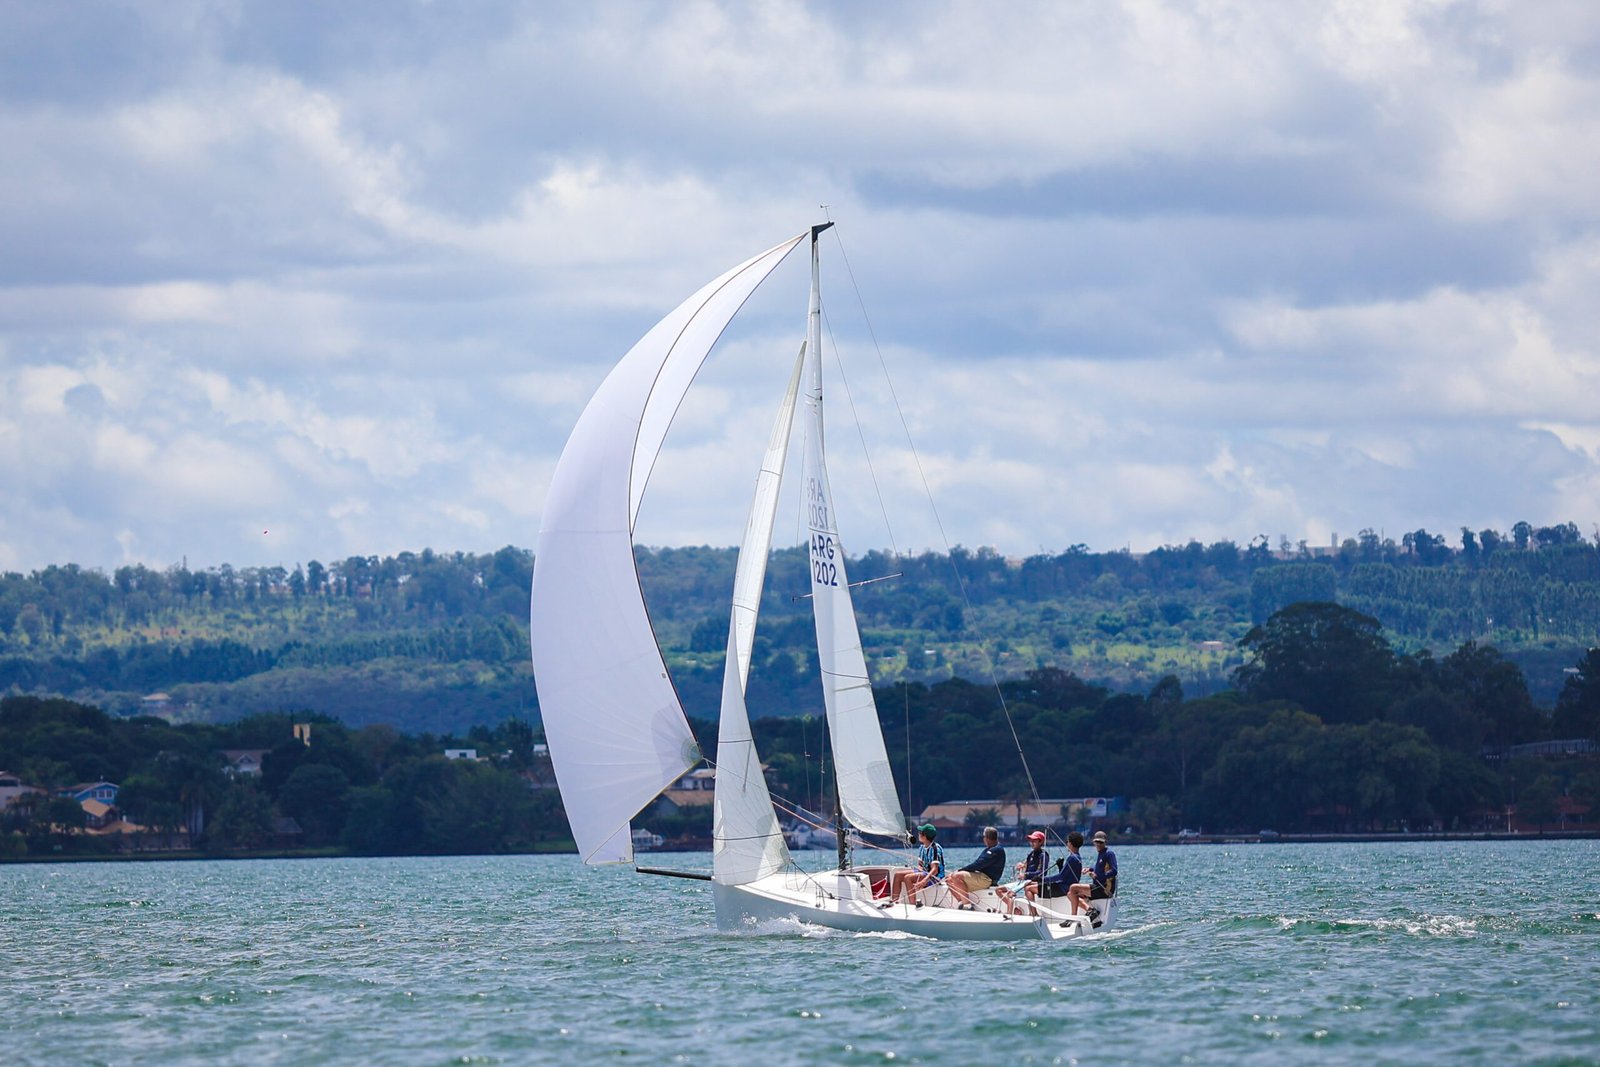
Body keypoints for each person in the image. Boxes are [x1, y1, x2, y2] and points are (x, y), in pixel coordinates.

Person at [945, 826, 1006, 910]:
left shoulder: (996, 850)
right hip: (980, 876)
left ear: (986, 838)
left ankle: (968, 906)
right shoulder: (989, 849)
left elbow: (978, 865)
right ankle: (961, 903)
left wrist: (960, 870)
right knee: (949, 880)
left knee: (956, 876)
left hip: (987, 879)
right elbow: (977, 864)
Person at [885, 825, 945, 907]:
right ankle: (894, 902)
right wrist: (919, 870)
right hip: (924, 873)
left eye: (920, 833)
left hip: (935, 877)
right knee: (898, 875)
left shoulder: (935, 848)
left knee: (908, 878)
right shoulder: (922, 847)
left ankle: (913, 905)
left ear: (925, 836)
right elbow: (920, 865)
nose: (918, 834)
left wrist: (924, 881)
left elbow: (935, 870)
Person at [997, 830, 1049, 916]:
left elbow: (1041, 872)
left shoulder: (1043, 855)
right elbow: (1026, 865)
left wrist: (1026, 874)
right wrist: (1022, 866)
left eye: (1034, 841)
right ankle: (1016, 910)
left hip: (1034, 881)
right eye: (1031, 841)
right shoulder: (1031, 854)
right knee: (999, 890)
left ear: (1040, 842)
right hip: (1024, 882)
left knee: (1013, 892)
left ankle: (1033, 913)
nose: (1031, 843)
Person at [1030, 830, 1084, 913]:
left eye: (1067, 842)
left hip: (1062, 888)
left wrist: (1042, 879)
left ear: (1070, 843)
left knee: (1029, 888)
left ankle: (1034, 914)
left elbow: (1061, 877)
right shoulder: (1077, 857)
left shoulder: (1072, 858)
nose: (1067, 844)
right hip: (1065, 886)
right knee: (1033, 884)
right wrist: (1060, 866)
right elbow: (1066, 876)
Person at [1087, 830, 1117, 916]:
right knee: (1078, 892)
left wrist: (1098, 877)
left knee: (1074, 889)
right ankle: (1090, 912)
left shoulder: (1109, 853)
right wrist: (1089, 869)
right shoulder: (1101, 854)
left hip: (1104, 889)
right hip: (1098, 887)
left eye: (1101, 842)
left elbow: (1114, 871)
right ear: (1094, 842)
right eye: (1097, 842)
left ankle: (1092, 911)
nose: (1098, 844)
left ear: (1105, 842)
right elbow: (1099, 869)